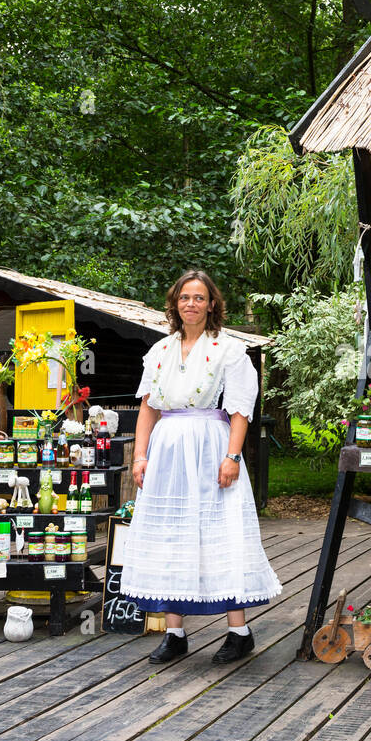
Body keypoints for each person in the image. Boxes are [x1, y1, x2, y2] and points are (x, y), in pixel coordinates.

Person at [121, 270, 281, 664]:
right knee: (171, 532)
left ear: (212, 304)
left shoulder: (228, 348)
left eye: (199, 297)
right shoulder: (159, 351)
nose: (190, 303)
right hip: (168, 451)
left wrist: (232, 456)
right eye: (184, 297)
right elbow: (148, 408)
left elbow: (242, 408)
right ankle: (174, 633)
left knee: (219, 530)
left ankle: (239, 632)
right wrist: (140, 457)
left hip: (210, 445)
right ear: (175, 303)